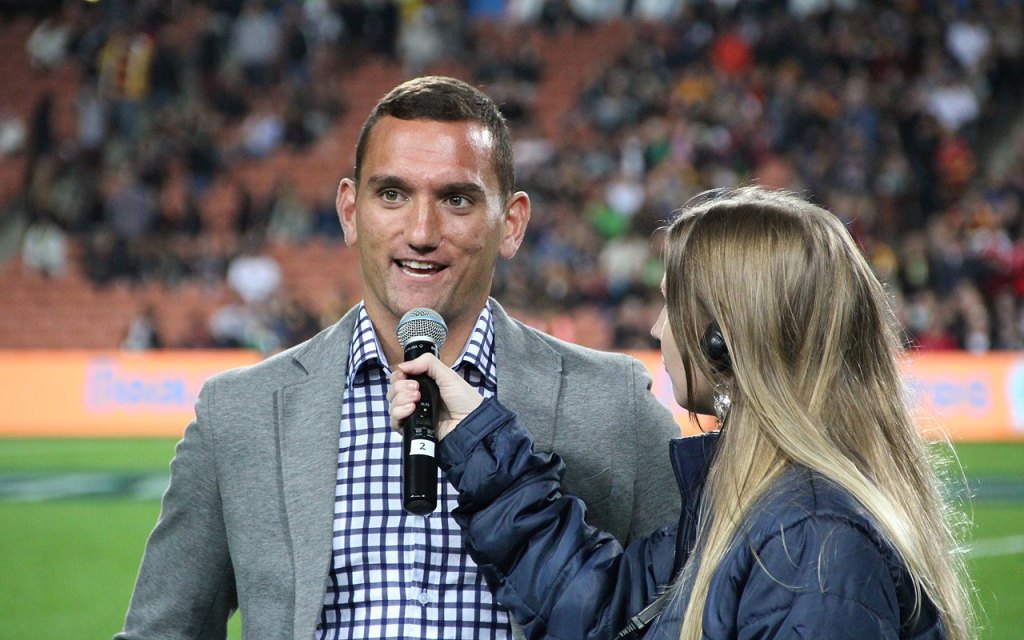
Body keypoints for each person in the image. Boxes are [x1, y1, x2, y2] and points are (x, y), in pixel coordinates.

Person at [116, 76, 682, 640]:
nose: (420, 232)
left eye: (456, 199)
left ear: (511, 224)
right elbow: (162, 631)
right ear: (349, 210)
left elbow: (692, 612)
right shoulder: (240, 414)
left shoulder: (614, 405)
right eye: (392, 194)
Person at [389, 186, 976, 639]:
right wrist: (473, 437)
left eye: (670, 304)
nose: (656, 327)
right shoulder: (753, 501)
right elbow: (602, 609)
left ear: (724, 339)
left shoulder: (811, 542)